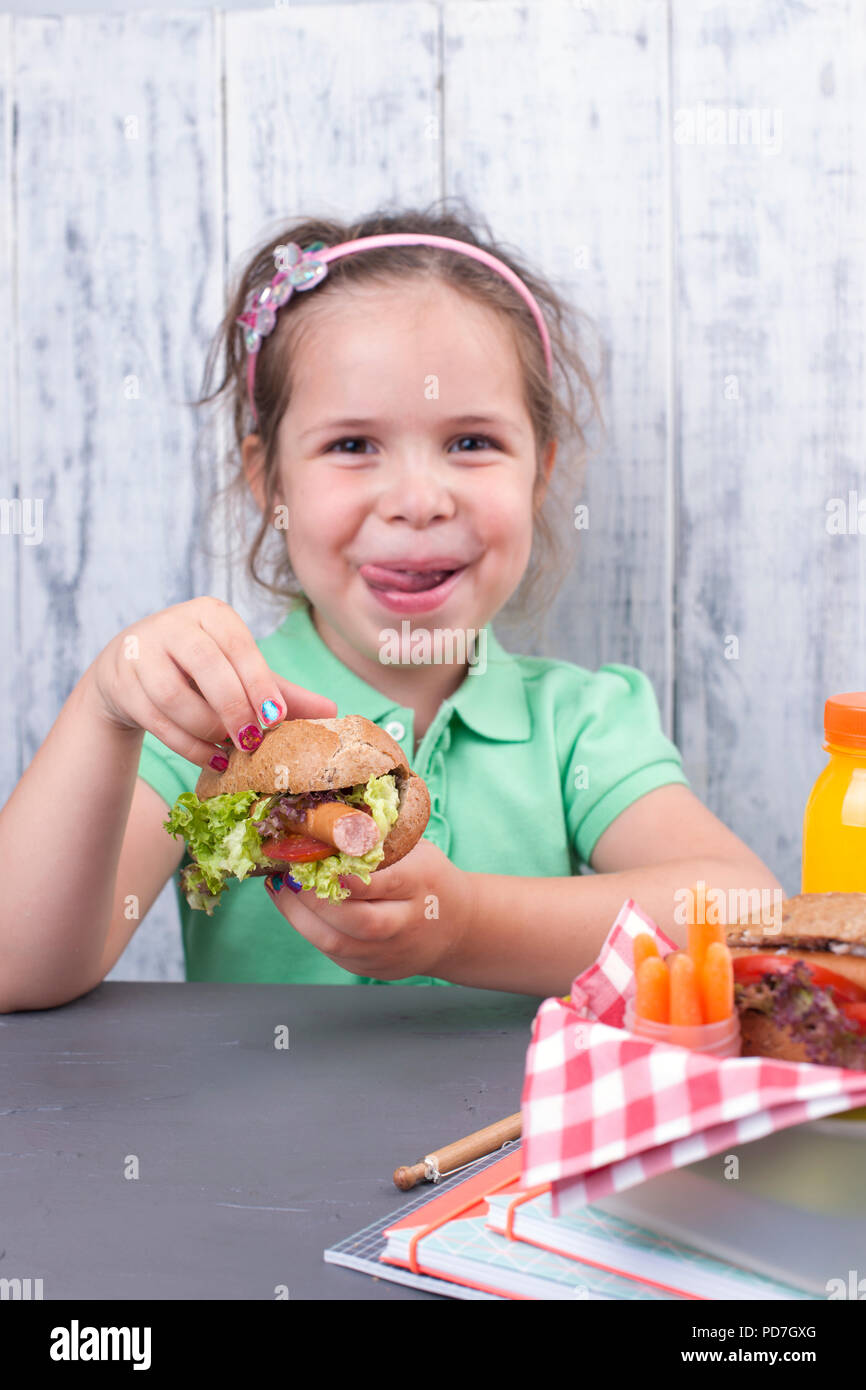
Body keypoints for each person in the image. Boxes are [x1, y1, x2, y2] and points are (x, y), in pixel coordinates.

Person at [0, 203, 782, 1010]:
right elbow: (14, 967)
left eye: (472, 442)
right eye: (352, 446)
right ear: (269, 480)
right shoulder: (211, 727)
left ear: (540, 472)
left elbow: (746, 914)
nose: (417, 500)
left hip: (522, 1138)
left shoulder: (577, 723)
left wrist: (467, 926)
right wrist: (104, 706)